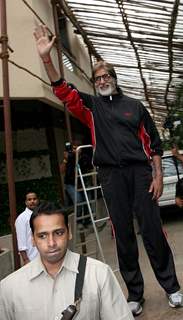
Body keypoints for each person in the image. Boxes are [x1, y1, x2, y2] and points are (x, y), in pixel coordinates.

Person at [33, 25, 183, 315]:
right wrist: (47, 59)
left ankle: (172, 288)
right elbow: (63, 91)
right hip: (111, 176)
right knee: (123, 235)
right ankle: (135, 294)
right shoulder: (91, 107)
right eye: (97, 78)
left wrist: (159, 176)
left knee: (153, 232)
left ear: (114, 79)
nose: (102, 80)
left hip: (141, 176)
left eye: (106, 76)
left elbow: (154, 146)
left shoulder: (135, 106)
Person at [0, 201, 134, 320]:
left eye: (58, 233)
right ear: (33, 240)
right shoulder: (9, 288)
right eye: (42, 236)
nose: (51, 243)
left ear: (69, 232)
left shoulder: (99, 274)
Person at [15, 191, 39, 264]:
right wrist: (26, 260)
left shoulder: (41, 215)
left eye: (34, 199)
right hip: (31, 258)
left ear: (37, 201)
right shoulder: (21, 218)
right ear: (26, 202)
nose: (32, 201)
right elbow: (21, 242)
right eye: (29, 199)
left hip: (44, 256)